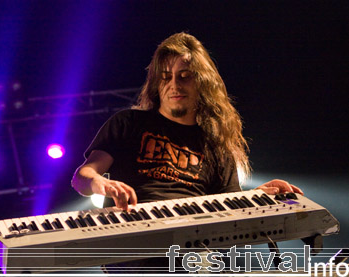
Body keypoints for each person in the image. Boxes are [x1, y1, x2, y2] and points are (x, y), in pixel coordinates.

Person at [71, 32, 303, 273]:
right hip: (134, 243)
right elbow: (82, 177)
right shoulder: (128, 123)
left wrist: (256, 196)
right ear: (156, 84)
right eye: (166, 77)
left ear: (202, 83)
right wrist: (101, 184)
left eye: (185, 76)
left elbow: (232, 214)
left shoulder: (215, 146)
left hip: (191, 252)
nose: (174, 85)